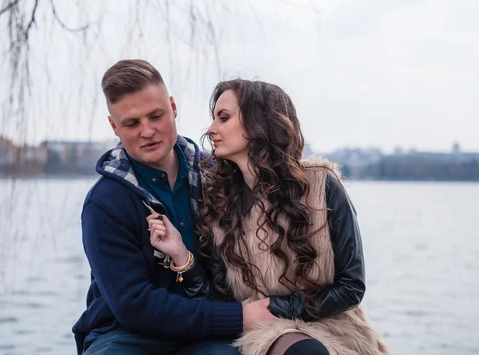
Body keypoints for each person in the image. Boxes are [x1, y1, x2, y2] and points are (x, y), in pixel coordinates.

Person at [148, 79, 389, 355]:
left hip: (335, 324)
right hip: (267, 333)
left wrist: (277, 306)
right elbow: (219, 298)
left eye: (224, 118)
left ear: (257, 122)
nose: (211, 130)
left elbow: (351, 286)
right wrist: (181, 256)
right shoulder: (218, 205)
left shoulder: (322, 186)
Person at [72, 61, 272, 355]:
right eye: (131, 123)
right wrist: (240, 317)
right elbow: (133, 305)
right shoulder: (105, 202)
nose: (147, 131)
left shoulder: (219, 176)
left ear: (173, 107)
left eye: (156, 116)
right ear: (115, 126)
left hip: (210, 332)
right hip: (125, 334)